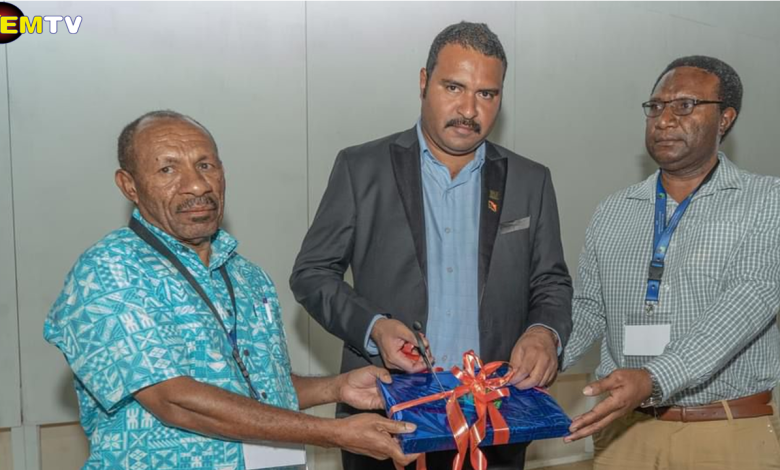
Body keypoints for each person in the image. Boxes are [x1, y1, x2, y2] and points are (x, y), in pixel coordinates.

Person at [44, 110, 419, 470]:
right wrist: (332, 433)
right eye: (167, 169)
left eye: (206, 165)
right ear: (129, 185)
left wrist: (336, 389)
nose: (197, 185)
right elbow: (174, 400)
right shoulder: (110, 270)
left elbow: (261, 390)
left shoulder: (248, 277)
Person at [290, 22, 572, 470]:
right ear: (424, 82)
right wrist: (375, 327)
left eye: (486, 94)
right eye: (454, 87)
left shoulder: (530, 180)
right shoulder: (361, 168)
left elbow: (551, 282)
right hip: (388, 420)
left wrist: (544, 332)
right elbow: (311, 274)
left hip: (496, 424)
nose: (469, 109)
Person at [562, 56, 780, 469]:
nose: (663, 120)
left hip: (725, 431)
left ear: (725, 118)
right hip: (625, 433)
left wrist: (652, 379)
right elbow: (588, 309)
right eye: (656, 106)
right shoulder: (613, 211)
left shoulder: (767, 201)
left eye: (684, 105)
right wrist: (542, 356)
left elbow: (743, 306)